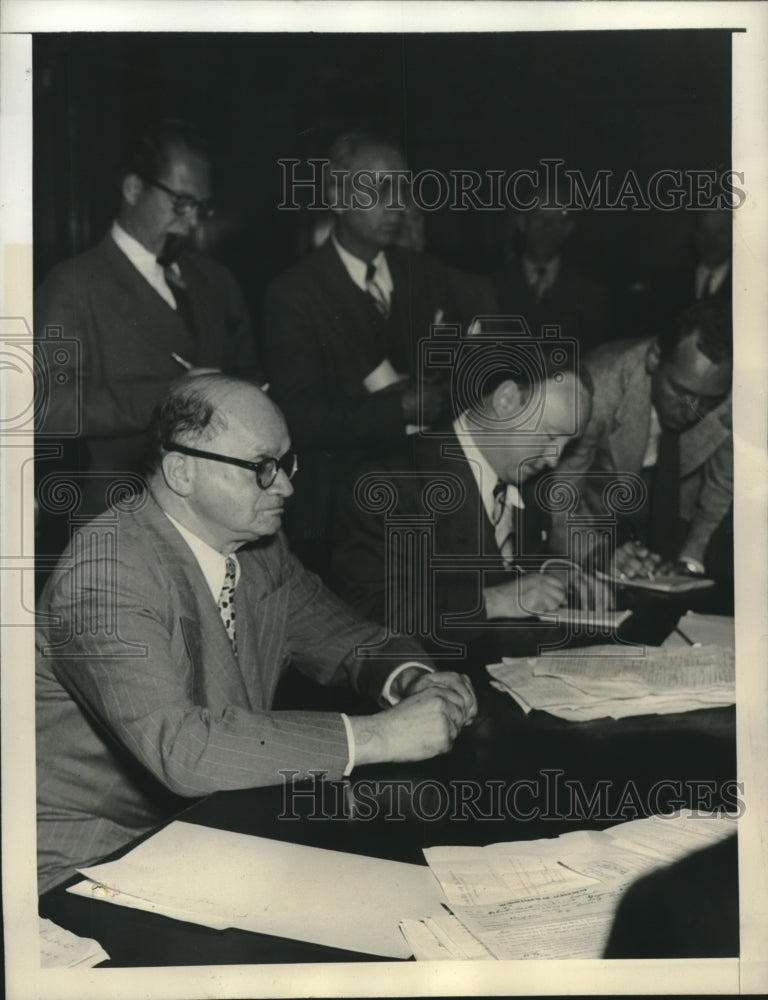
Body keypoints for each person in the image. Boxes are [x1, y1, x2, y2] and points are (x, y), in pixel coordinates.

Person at [35, 375, 476, 894]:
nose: (286, 486)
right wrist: (383, 735)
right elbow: (184, 750)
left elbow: (346, 638)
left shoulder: (259, 549)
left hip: (211, 831)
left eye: (287, 464)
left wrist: (412, 681)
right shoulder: (107, 574)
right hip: (89, 862)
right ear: (181, 472)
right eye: (263, 468)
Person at [34, 119, 260, 523]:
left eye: (202, 207)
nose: (193, 222)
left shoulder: (217, 280)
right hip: (120, 517)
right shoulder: (72, 284)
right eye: (181, 203)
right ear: (133, 189)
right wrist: (169, 397)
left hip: (220, 513)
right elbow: (46, 406)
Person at [261, 132, 457, 573]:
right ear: (336, 195)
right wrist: (400, 408)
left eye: (404, 188)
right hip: (335, 520)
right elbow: (298, 416)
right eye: (379, 188)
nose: (398, 204)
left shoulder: (428, 276)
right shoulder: (294, 292)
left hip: (428, 508)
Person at [330, 361, 595, 656]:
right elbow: (369, 611)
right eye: (550, 436)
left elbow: (514, 564)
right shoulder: (389, 480)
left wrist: (553, 572)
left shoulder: (529, 477)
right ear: (506, 400)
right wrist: (492, 601)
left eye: (566, 445)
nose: (553, 459)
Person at [551, 299, 732, 581]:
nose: (692, 411)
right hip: (593, 528)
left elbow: (721, 491)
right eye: (680, 391)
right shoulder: (594, 389)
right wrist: (598, 555)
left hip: (675, 525)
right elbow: (557, 499)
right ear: (654, 358)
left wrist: (690, 562)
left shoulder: (735, 400)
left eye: (709, 401)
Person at [491, 202, 612, 353]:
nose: (547, 227)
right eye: (538, 217)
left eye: (558, 219)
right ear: (522, 223)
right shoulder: (490, 288)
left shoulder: (591, 294)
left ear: (568, 228)